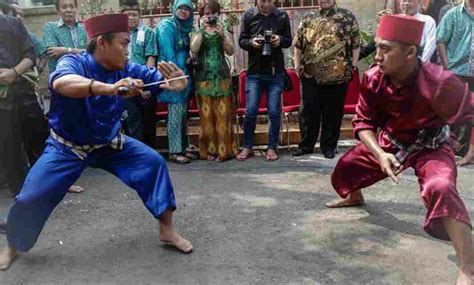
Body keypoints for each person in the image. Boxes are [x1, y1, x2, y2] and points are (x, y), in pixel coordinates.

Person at [0, 13, 193, 270]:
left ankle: (167, 230)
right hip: (67, 147)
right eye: (124, 43)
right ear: (102, 42)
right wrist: (109, 88)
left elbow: (157, 79)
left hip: (109, 142)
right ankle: (12, 245)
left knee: (153, 163)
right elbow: (63, 83)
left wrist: (175, 84)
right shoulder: (73, 62)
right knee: (31, 196)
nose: (128, 49)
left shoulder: (125, 68)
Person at [326, 15, 474, 284]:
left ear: (410, 53)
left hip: (431, 145)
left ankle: (468, 267)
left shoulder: (439, 82)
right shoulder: (373, 79)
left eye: (385, 49)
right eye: (377, 47)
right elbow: (363, 122)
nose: (377, 56)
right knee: (346, 168)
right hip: (391, 142)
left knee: (440, 186)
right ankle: (354, 196)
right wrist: (380, 155)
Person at [292, 0, 360, 159]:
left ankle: (328, 147)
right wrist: (297, 66)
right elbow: (298, 44)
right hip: (310, 76)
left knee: (334, 114)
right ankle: (306, 145)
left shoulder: (347, 17)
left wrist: (353, 66)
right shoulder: (308, 18)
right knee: (308, 113)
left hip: (338, 77)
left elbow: (356, 44)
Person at [237, 0, 292, 161]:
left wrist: (279, 40)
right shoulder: (248, 15)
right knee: (251, 111)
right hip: (255, 71)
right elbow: (241, 40)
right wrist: (251, 43)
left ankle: (272, 147)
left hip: (275, 72)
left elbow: (289, 40)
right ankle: (247, 147)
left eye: (269, 0)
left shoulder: (282, 16)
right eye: (262, 1)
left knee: (274, 112)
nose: (266, 4)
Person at [190, 2, 237, 162]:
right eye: (206, 13)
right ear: (201, 15)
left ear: (218, 14)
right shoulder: (196, 29)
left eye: (213, 13)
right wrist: (202, 30)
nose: (210, 16)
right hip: (203, 77)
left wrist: (223, 34)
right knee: (206, 117)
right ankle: (209, 151)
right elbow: (194, 49)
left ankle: (225, 151)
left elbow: (230, 50)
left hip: (222, 76)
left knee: (223, 115)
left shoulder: (222, 27)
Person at [0, 2, 37, 196]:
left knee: (38, 138)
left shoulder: (14, 24)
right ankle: (20, 192)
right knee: (9, 146)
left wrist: (14, 72)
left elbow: (31, 53)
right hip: (2, 102)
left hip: (24, 91)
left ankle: (48, 184)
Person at [156, 0, 197, 164]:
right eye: (181, 8)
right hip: (173, 75)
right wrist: (175, 75)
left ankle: (184, 147)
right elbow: (168, 54)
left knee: (182, 113)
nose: (184, 11)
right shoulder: (167, 26)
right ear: (174, 8)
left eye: (188, 9)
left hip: (185, 75)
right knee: (174, 113)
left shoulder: (187, 27)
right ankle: (174, 151)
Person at [437, 0, 474, 158]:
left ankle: (468, 151)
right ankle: (452, 148)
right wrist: (447, 67)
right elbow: (441, 40)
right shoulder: (453, 14)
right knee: (456, 112)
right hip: (457, 71)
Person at [121, 0, 158, 147]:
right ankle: (136, 151)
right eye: (127, 15)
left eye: (134, 15)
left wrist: (145, 85)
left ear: (140, 16)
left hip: (145, 84)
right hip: (125, 83)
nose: (131, 18)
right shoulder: (118, 35)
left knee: (148, 119)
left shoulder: (148, 33)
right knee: (131, 120)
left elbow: (151, 57)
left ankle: (150, 151)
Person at [42, 0, 87, 72]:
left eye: (72, 7)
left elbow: (91, 53)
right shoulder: (50, 27)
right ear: (58, 10)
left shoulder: (84, 28)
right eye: (64, 7)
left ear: (76, 9)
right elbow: (52, 51)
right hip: (61, 76)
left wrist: (66, 50)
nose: (69, 10)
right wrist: (80, 51)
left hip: (84, 74)